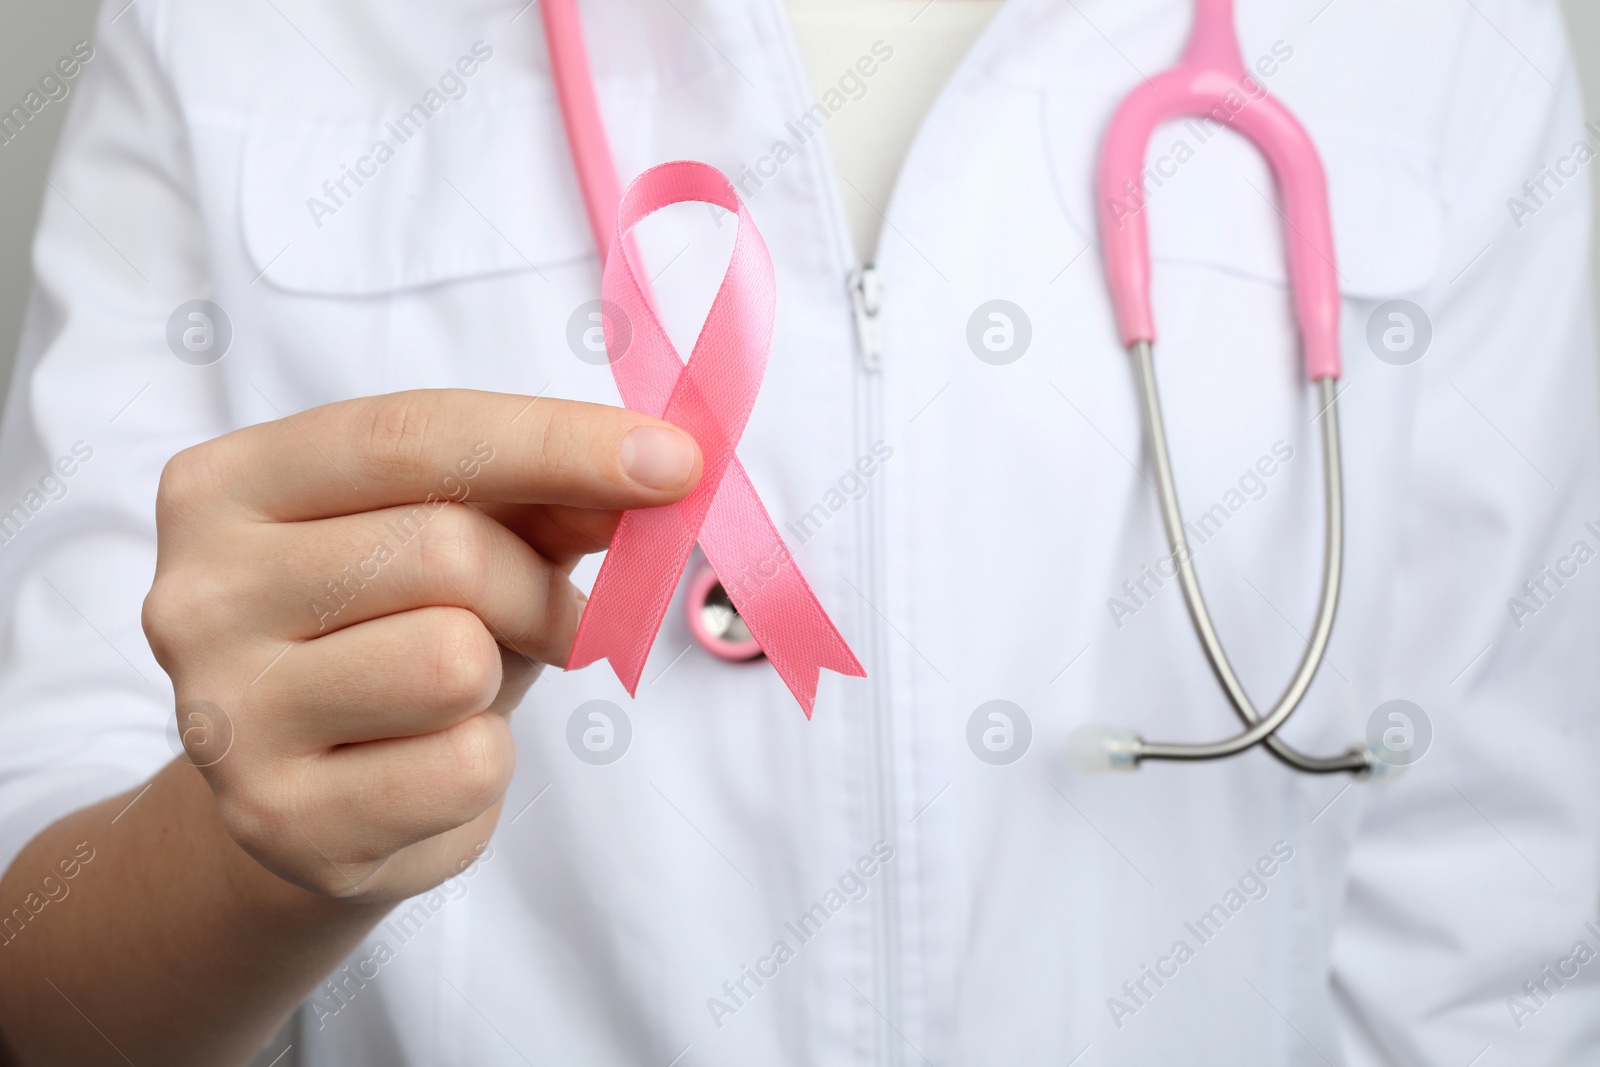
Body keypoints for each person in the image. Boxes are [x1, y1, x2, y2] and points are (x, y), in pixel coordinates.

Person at [0, 0, 1597, 1063]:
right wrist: (256, 861)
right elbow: (36, 962)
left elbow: (1496, 942)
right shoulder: (227, 32)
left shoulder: (1452, 38)